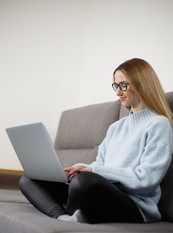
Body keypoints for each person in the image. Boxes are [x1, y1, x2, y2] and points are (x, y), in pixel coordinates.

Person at [19, 58, 173, 224]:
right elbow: (100, 164)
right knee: (29, 178)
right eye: (116, 85)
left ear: (141, 83)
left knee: (85, 183)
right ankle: (65, 217)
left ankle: (72, 209)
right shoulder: (116, 127)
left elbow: (146, 180)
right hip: (103, 194)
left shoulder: (159, 124)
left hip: (134, 205)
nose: (118, 92)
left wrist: (94, 172)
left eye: (123, 85)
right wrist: (82, 167)